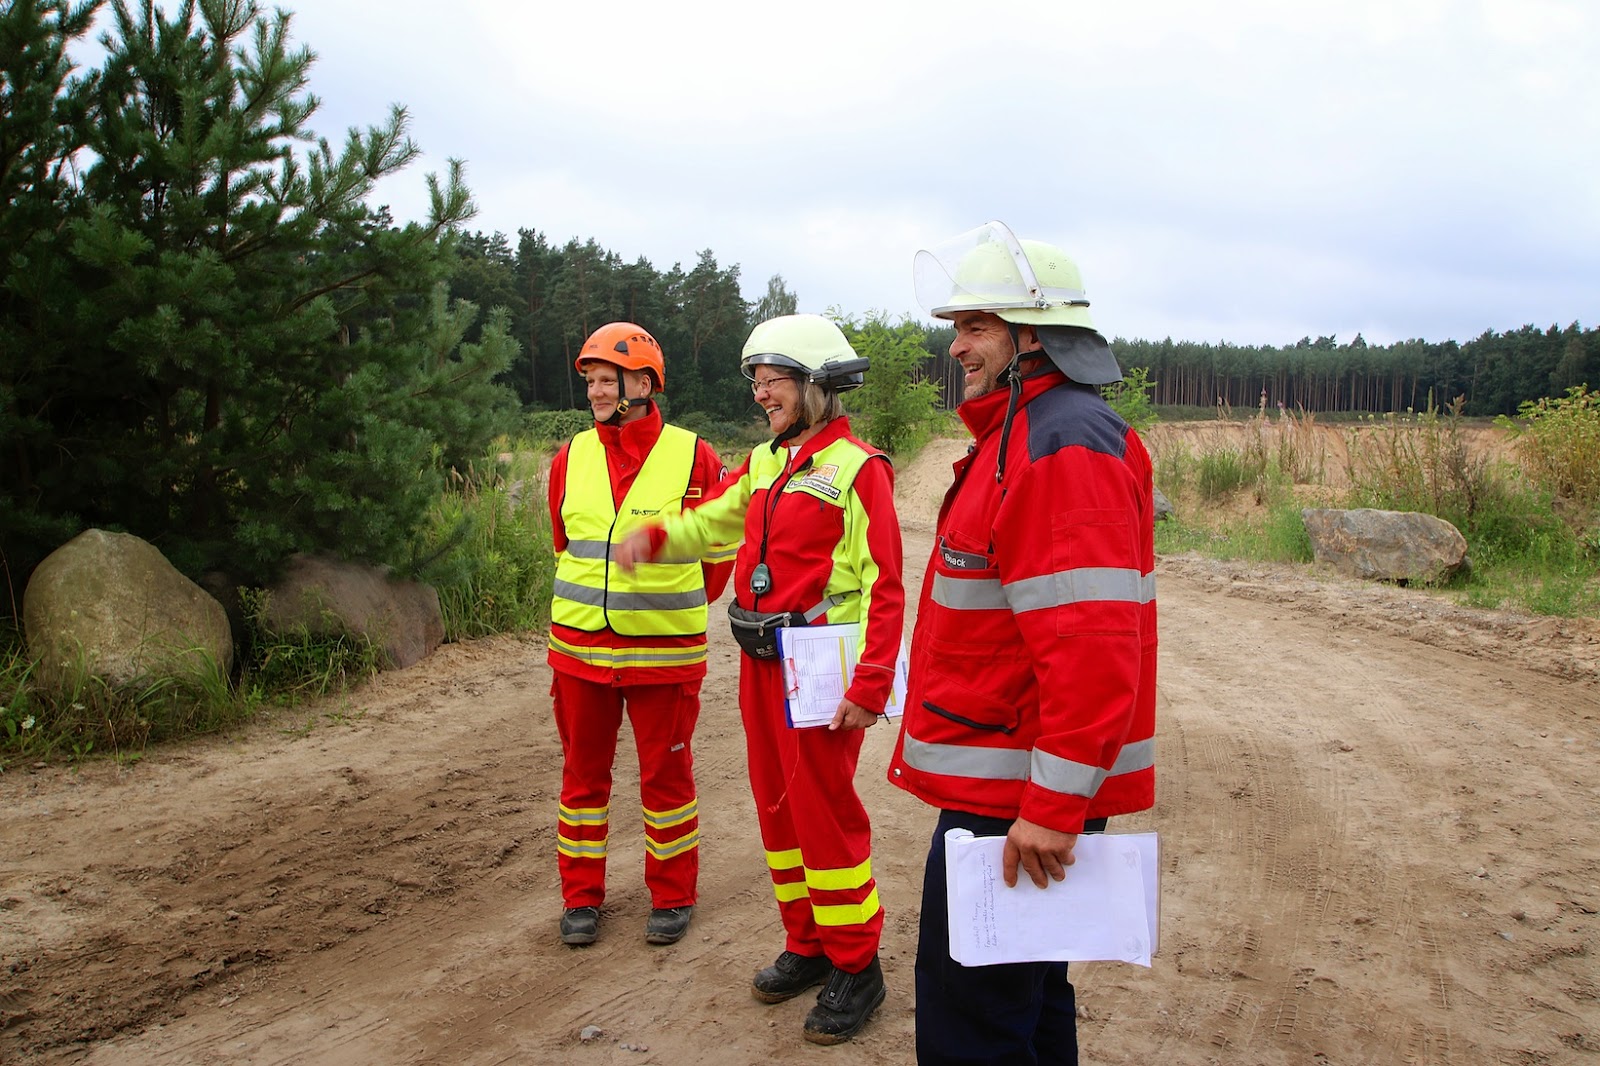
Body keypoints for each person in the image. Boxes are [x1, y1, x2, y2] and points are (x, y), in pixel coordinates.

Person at [887, 223, 1158, 1065]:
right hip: (1006, 778)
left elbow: (1091, 645)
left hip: (1015, 793)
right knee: (1026, 999)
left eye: (973, 326)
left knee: (976, 1022)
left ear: (1029, 335)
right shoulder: (1024, 432)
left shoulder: (1059, 445)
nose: (956, 346)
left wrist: (1054, 804)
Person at [616, 313, 905, 1046]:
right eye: (756, 382)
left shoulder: (859, 469)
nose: (760, 395)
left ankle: (857, 964)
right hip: (760, 665)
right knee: (777, 809)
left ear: (814, 385)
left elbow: (887, 586)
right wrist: (656, 539)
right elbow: (715, 523)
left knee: (823, 813)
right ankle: (807, 944)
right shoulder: (769, 462)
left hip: (820, 671)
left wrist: (871, 683)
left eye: (771, 381)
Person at [546, 321, 735, 949]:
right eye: (593, 382)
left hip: (665, 658)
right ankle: (580, 897)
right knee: (582, 779)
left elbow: (716, 557)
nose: (597, 393)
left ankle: (674, 894)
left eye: (609, 381)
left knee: (667, 780)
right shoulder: (569, 456)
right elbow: (564, 541)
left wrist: (662, 606)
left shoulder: (695, 454)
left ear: (645, 383)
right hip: (579, 655)